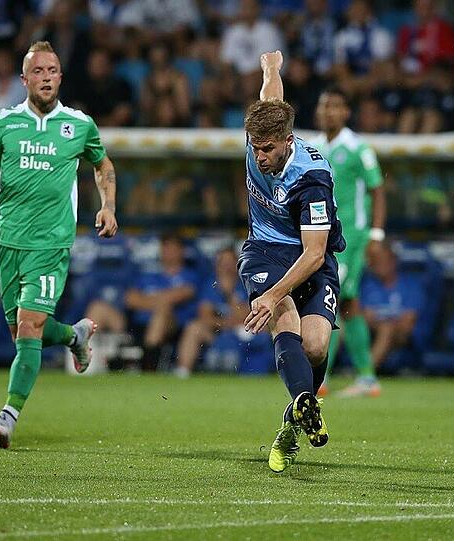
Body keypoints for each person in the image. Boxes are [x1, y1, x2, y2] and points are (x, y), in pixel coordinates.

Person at [0, 41, 118, 449]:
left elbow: (103, 165)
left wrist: (108, 206)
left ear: (61, 77)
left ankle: (8, 417)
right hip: (9, 241)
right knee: (22, 333)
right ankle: (75, 336)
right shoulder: (4, 123)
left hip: (51, 244)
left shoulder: (79, 124)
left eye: (52, 71)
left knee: (29, 327)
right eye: (38, 71)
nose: (46, 77)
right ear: (24, 79)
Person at [239, 50, 345, 473]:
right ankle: (305, 400)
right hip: (264, 249)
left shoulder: (311, 179)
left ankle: (294, 417)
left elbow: (314, 253)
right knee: (285, 316)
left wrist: (270, 295)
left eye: (267, 149)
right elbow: (271, 99)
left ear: (288, 141)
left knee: (316, 346)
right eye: (254, 148)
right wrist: (271, 68)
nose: (259, 157)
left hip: (309, 256)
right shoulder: (264, 130)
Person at [311, 86, 386, 398]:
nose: (328, 111)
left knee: (328, 299)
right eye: (324, 105)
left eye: (335, 106)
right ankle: (366, 377)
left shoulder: (358, 148)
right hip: (321, 238)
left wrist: (376, 234)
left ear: (346, 112)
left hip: (350, 238)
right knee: (348, 304)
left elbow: (377, 190)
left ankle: (321, 379)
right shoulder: (312, 148)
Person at [123, 233, 198, 371]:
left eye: (173, 249)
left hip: (174, 327)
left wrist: (147, 300)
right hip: (140, 324)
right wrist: (162, 299)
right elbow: (130, 299)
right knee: (99, 307)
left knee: (162, 312)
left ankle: (148, 369)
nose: (169, 253)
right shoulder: (149, 274)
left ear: (181, 251)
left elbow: (183, 294)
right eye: (166, 248)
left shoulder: (189, 275)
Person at [174, 247, 251, 378]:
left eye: (230, 262)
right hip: (218, 332)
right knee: (194, 328)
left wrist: (229, 294)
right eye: (223, 263)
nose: (226, 267)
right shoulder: (211, 284)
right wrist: (224, 323)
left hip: (241, 335)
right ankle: (183, 371)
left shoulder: (247, 284)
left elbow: (246, 317)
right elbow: (204, 316)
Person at [361, 242, 423, 369]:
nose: (380, 265)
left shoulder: (410, 285)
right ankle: (325, 371)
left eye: (384, 261)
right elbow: (364, 316)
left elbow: (408, 321)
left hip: (401, 335)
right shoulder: (368, 285)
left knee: (386, 328)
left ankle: (366, 372)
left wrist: (382, 321)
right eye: (377, 262)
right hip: (371, 331)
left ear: (393, 261)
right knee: (340, 326)